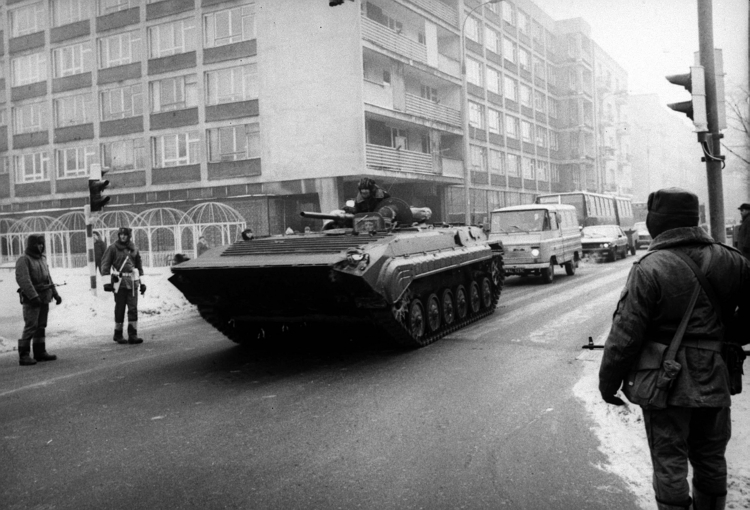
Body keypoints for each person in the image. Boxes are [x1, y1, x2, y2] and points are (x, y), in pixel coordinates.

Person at [599, 188, 750, 510]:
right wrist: (718, 340)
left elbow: (626, 335)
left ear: (656, 223)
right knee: (711, 457)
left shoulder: (650, 267)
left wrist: (608, 382)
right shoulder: (733, 260)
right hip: (715, 374)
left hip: (664, 384)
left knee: (669, 460)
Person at [15, 234, 62, 366]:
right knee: (31, 326)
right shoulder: (24, 260)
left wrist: (55, 294)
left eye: (42, 244)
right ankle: (23, 355)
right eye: (37, 244)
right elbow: (23, 279)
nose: (40, 246)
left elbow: (48, 278)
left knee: (41, 326)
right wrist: (33, 296)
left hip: (44, 297)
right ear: (31, 245)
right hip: (32, 299)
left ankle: (40, 352)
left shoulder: (42, 259)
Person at [100, 227, 146, 345]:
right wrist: (106, 282)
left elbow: (139, 266)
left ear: (129, 236)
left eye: (125, 235)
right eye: (121, 234)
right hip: (119, 282)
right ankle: (118, 334)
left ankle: (133, 334)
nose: (123, 237)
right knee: (120, 308)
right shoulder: (113, 248)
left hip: (132, 282)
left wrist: (143, 283)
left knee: (133, 308)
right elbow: (105, 264)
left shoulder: (134, 248)